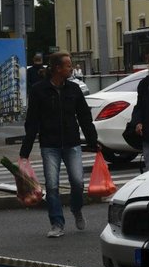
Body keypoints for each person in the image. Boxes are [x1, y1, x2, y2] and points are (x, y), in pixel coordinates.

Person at [19, 52, 99, 238]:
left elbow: (85, 117)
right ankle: (57, 223)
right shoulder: (39, 91)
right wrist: (26, 150)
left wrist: (93, 141)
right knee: (52, 186)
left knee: (78, 182)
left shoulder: (74, 89)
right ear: (57, 68)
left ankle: (76, 209)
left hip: (72, 143)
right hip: (50, 145)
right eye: (68, 66)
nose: (71, 69)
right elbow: (32, 122)